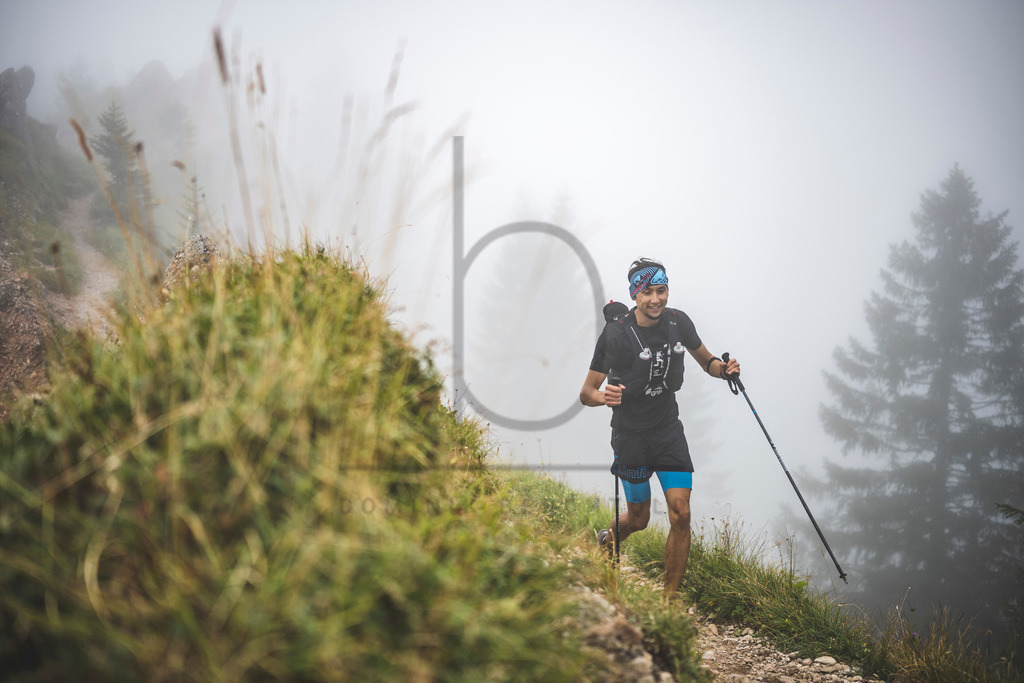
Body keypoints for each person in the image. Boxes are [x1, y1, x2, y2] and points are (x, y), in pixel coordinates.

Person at [579, 257, 739, 595]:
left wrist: (724, 370)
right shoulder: (616, 334)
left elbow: (706, 361)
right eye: (648, 292)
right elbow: (586, 392)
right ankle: (608, 541)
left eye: (661, 290)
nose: (656, 299)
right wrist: (603, 397)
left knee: (680, 513)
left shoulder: (678, 322)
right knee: (638, 519)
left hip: (668, 431)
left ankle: (670, 601)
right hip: (631, 436)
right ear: (635, 295)